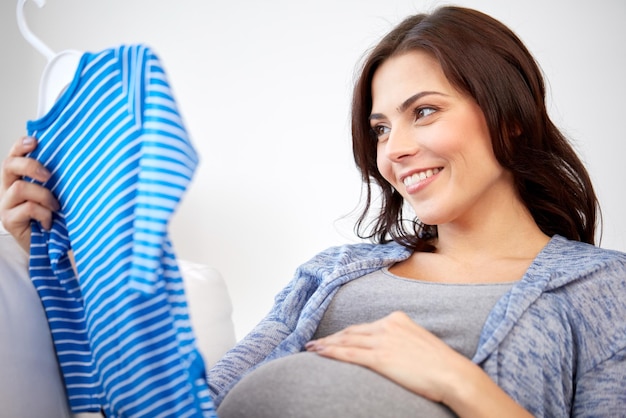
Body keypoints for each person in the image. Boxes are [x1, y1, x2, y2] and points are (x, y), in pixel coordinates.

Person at [1, 5, 625, 417]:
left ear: (511, 123)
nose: (396, 148)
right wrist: (54, 264)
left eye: (424, 111)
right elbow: (202, 401)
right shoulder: (332, 271)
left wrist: (457, 380)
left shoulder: (604, 288)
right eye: (380, 128)